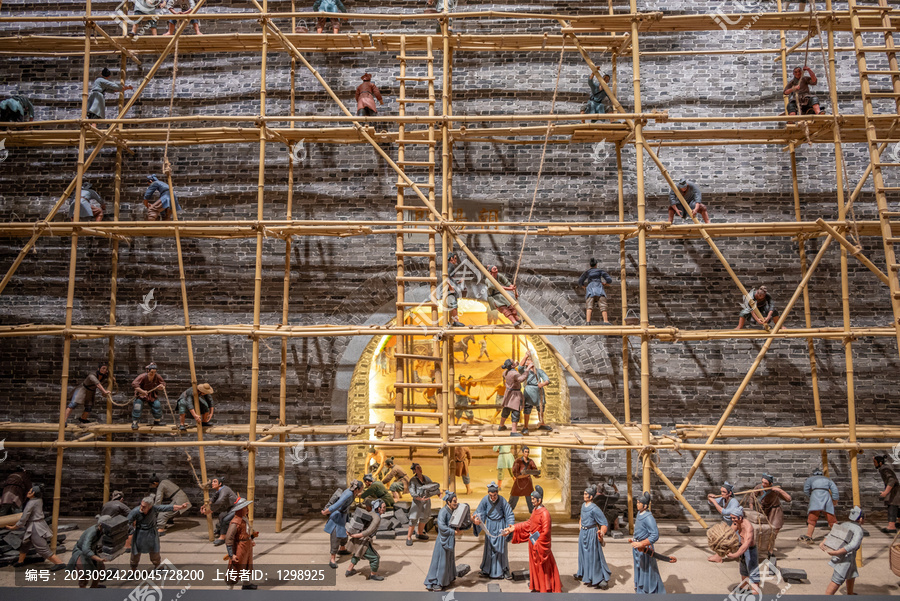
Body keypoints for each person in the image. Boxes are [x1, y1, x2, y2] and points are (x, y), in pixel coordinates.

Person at [503, 485, 561, 593]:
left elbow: (546, 531)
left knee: (542, 567)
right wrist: (514, 527)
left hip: (539, 545)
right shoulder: (535, 510)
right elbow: (529, 523)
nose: (532, 502)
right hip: (533, 543)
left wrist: (538, 543)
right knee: (535, 566)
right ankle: (537, 585)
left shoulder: (545, 513)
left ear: (539, 500)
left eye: (534, 500)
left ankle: (545, 586)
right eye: (532, 500)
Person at [4, 485, 65, 570]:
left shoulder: (32, 502)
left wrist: (14, 526)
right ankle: (20, 561)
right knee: (25, 544)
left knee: (42, 548)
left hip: (35, 527)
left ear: (34, 493)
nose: (28, 493)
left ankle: (59, 563)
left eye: (30, 491)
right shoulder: (38, 500)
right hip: (35, 524)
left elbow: (24, 517)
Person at [126, 495, 188, 569]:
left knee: (155, 551)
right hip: (139, 533)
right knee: (135, 552)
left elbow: (168, 507)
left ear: (150, 507)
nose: (141, 508)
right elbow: (127, 522)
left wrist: (181, 507)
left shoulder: (154, 509)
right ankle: (133, 569)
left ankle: (157, 566)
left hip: (151, 533)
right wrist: (131, 530)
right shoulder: (135, 511)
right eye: (141, 505)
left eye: (144, 507)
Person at [472, 482, 514, 579]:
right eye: (491, 495)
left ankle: (504, 569)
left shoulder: (502, 500)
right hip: (490, 526)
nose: (493, 498)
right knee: (489, 549)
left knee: (501, 549)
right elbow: (479, 512)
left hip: (500, 525)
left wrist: (510, 525)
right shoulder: (485, 500)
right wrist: (476, 519)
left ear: (497, 493)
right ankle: (487, 569)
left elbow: (509, 514)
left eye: (495, 495)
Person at [820, 505, 865, 595]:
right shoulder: (858, 530)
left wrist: (823, 542)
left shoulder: (844, 524)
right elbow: (853, 545)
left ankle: (850, 593)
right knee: (837, 579)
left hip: (847, 556)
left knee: (851, 574)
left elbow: (832, 534)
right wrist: (837, 552)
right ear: (860, 519)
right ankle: (826, 598)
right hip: (845, 556)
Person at [424, 490, 462, 592]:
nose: (456, 503)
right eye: (454, 501)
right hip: (443, 539)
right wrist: (453, 532)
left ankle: (447, 579)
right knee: (441, 561)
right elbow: (441, 526)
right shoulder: (443, 512)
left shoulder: (453, 510)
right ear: (448, 502)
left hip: (450, 539)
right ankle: (437, 581)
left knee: (448, 560)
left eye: (456, 500)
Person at [322, 479, 363, 569]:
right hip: (338, 516)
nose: (362, 490)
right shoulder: (348, 494)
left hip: (344, 515)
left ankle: (342, 548)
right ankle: (332, 558)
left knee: (344, 533)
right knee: (336, 536)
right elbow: (337, 504)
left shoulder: (351, 492)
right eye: (361, 489)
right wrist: (326, 511)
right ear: (356, 489)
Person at [575, 485, 610, 589]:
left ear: (591, 497)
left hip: (591, 533)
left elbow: (604, 523)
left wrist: (602, 533)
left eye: (586, 494)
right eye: (584, 493)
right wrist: (580, 525)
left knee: (592, 556)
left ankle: (598, 578)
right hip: (583, 533)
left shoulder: (595, 509)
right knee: (582, 554)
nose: (584, 495)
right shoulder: (583, 506)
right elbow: (581, 516)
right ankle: (584, 573)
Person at [748, 473, 791, 558]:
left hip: (775, 511)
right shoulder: (759, 487)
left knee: (774, 532)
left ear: (770, 484)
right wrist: (752, 509)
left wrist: (780, 490)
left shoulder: (775, 490)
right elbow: (752, 497)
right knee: (762, 530)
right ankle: (762, 548)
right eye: (762, 482)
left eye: (765, 483)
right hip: (764, 511)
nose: (763, 484)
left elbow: (788, 499)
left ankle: (770, 550)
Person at [631, 491, 665, 594]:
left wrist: (642, 543)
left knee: (648, 569)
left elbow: (655, 535)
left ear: (645, 506)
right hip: (637, 547)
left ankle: (649, 589)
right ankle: (640, 588)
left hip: (645, 548)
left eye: (639, 503)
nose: (637, 504)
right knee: (639, 567)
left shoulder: (649, 518)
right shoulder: (639, 513)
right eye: (637, 502)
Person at [346, 498, 386, 581]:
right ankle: (373, 575)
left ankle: (349, 570)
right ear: (378, 508)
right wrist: (355, 535)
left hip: (358, 539)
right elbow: (368, 531)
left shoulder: (370, 513)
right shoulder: (377, 518)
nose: (385, 509)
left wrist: (354, 535)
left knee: (357, 553)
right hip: (363, 541)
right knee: (375, 558)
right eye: (383, 507)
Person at [67, 514, 112, 588]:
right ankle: (83, 594)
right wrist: (98, 559)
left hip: (92, 551)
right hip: (81, 553)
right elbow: (85, 549)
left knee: (100, 570)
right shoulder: (92, 532)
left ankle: (93, 588)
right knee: (84, 574)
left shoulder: (101, 530)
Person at [726, 506, 760, 598]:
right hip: (742, 548)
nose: (732, 520)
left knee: (753, 572)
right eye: (731, 517)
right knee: (743, 570)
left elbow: (746, 544)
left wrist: (734, 555)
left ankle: (755, 593)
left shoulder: (749, 527)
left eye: (734, 518)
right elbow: (729, 532)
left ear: (740, 517)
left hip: (750, 550)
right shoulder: (736, 523)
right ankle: (744, 587)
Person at [799, 467, 839, 544]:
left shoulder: (810, 479)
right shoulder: (827, 479)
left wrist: (811, 497)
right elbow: (835, 490)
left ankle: (809, 535)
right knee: (831, 518)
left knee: (812, 519)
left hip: (815, 497)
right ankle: (837, 536)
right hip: (826, 497)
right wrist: (835, 499)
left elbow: (806, 490)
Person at [225, 499, 258, 590]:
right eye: (245, 508)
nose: (247, 509)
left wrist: (250, 540)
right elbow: (229, 538)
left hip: (246, 547)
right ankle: (229, 588)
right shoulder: (235, 522)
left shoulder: (244, 519)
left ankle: (246, 584)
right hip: (239, 547)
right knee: (236, 567)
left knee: (247, 565)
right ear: (240, 510)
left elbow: (245, 533)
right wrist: (231, 554)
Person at [707, 481, 740, 563]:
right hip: (727, 524)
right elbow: (711, 503)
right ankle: (719, 556)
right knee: (722, 539)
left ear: (730, 493)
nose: (722, 493)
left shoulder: (734, 502)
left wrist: (714, 502)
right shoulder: (723, 499)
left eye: (724, 492)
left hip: (735, 524)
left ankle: (719, 557)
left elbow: (724, 512)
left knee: (724, 539)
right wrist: (709, 498)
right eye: (721, 491)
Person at [201, 477, 238, 545]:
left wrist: (210, 510)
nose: (212, 483)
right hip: (230, 508)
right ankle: (220, 530)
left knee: (225, 519)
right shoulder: (219, 490)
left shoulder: (224, 490)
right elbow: (213, 499)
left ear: (220, 483)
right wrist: (205, 505)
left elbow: (219, 502)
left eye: (215, 481)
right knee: (221, 516)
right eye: (212, 482)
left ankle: (222, 537)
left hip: (236, 507)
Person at [521, 352, 551, 434]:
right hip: (529, 391)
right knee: (527, 409)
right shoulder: (525, 372)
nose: (529, 361)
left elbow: (547, 379)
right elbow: (520, 367)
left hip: (538, 391)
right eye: (528, 360)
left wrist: (543, 384)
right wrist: (526, 356)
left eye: (530, 360)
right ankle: (525, 426)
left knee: (540, 408)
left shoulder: (539, 371)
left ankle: (542, 423)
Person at [498, 359, 529, 436]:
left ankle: (501, 425)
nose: (515, 363)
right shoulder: (514, 374)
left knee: (506, 409)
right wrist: (527, 370)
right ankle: (514, 431)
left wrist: (516, 365)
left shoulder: (505, 372)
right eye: (513, 363)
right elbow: (521, 379)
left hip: (508, 393)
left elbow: (508, 373)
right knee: (516, 411)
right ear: (511, 366)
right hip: (514, 394)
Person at [578, 258, 614, 325]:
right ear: (596, 265)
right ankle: (606, 321)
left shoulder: (587, 272)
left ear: (590, 265)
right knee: (603, 305)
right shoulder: (600, 271)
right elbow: (609, 280)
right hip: (599, 288)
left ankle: (588, 322)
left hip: (590, 289)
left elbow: (580, 281)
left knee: (589, 306)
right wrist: (605, 283)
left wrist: (584, 287)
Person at [407, 463, 435, 546]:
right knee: (413, 518)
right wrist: (419, 498)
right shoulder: (413, 480)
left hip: (426, 502)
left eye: (420, 467)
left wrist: (437, 492)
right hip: (417, 502)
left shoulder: (426, 478)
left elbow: (432, 486)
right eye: (418, 468)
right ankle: (409, 537)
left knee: (424, 517)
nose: (420, 469)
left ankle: (420, 533)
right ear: (414, 470)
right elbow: (412, 492)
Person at [131, 362, 166, 430]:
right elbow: (134, 385)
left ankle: (157, 421)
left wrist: (161, 387)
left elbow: (163, 383)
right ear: (148, 371)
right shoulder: (142, 376)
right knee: (137, 407)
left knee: (157, 405)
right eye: (151, 372)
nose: (153, 374)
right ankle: (134, 422)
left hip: (151, 394)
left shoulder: (157, 376)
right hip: (141, 395)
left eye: (154, 372)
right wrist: (142, 391)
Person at [509, 446, 539, 512]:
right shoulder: (518, 461)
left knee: (531, 499)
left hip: (527, 483)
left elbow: (534, 469)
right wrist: (524, 475)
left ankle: (533, 513)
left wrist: (536, 474)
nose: (527, 453)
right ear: (522, 452)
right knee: (513, 498)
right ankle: (507, 513)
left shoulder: (530, 461)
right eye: (525, 452)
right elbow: (515, 473)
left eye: (528, 452)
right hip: (519, 483)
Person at [874, 455, 900, 534]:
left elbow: (892, 480)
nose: (874, 464)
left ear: (880, 463)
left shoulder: (884, 469)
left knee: (892, 506)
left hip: (894, 491)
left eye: (875, 462)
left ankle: (891, 526)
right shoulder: (884, 468)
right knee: (897, 507)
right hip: (895, 490)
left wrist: (886, 492)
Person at [445, 252, 465, 327]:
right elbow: (446, 278)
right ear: (451, 258)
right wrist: (450, 287)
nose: (456, 260)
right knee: (453, 305)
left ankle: (451, 321)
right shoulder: (450, 266)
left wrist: (458, 282)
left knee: (451, 305)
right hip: (449, 289)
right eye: (455, 258)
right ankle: (455, 321)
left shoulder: (449, 266)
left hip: (450, 288)